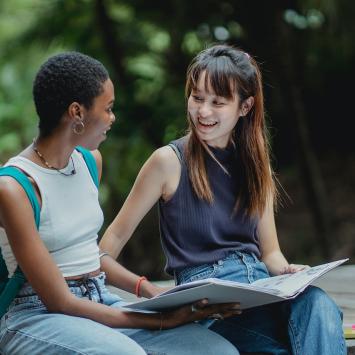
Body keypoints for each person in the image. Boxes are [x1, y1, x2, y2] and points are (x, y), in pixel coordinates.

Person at [100, 44, 346, 355]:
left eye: (218, 102)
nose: (203, 111)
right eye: (197, 98)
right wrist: (147, 290)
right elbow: (103, 253)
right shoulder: (168, 162)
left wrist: (287, 274)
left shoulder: (257, 166)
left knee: (318, 304)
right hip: (208, 309)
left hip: (259, 294)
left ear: (245, 107)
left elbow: (270, 254)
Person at [0, 52, 241, 355]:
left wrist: (152, 292)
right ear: (77, 112)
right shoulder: (15, 187)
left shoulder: (89, 163)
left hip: (98, 298)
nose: (113, 118)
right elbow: (59, 301)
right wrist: (160, 320)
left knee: (218, 352)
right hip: (34, 314)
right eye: (108, 108)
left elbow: (86, 255)